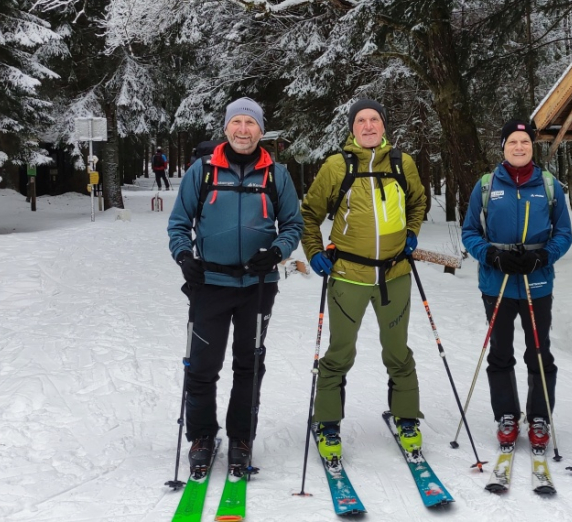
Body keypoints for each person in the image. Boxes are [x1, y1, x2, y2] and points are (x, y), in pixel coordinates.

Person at [166, 97, 304, 477]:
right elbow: (179, 223)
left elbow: (293, 224)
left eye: (251, 123)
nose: (243, 130)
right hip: (209, 283)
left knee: (250, 364)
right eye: (237, 122)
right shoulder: (203, 170)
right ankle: (202, 437)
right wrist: (184, 257)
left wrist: (277, 250)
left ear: (261, 130)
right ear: (226, 127)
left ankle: (241, 438)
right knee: (202, 366)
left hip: (258, 286)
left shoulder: (277, 174)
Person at [299, 97, 427, 462]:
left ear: (384, 125)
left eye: (374, 119)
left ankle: (407, 419)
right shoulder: (336, 166)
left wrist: (412, 232)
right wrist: (313, 252)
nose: (368, 126)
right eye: (361, 121)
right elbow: (309, 214)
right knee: (339, 353)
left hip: (395, 274)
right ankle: (327, 422)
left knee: (398, 352)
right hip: (348, 275)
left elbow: (418, 202)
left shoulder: (403, 163)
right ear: (352, 128)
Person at [460, 119, 572, 451]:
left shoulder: (550, 186)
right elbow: (469, 232)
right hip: (497, 282)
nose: (519, 147)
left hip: (536, 281)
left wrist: (543, 257)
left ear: (532, 146)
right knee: (500, 351)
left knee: (539, 352)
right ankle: (506, 414)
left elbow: (563, 233)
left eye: (524, 141)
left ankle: (540, 417)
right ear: (504, 146)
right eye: (513, 142)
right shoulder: (485, 185)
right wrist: (491, 255)